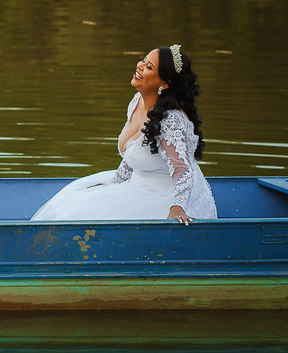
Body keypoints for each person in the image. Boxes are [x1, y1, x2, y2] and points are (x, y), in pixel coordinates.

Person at [31, 44, 217, 224]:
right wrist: (115, 185)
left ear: (165, 83)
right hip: (138, 183)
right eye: (143, 60)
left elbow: (182, 170)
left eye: (149, 66)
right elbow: (133, 154)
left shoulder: (170, 120)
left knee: (77, 215)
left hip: (169, 195)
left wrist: (177, 207)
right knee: (70, 201)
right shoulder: (137, 102)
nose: (140, 66)